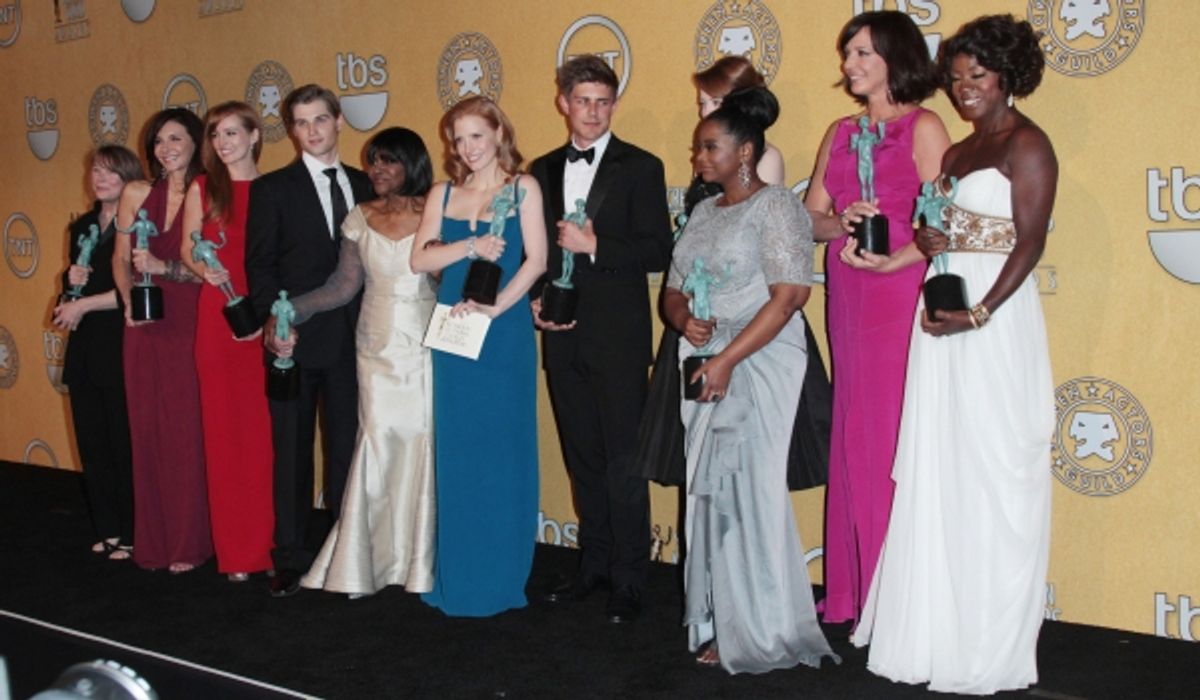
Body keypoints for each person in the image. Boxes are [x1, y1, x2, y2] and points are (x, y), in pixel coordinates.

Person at [849, 15, 1057, 694]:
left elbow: (1028, 243)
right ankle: (937, 632)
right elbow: (942, 226)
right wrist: (932, 241)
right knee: (942, 468)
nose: (965, 88)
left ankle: (988, 643)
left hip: (992, 322)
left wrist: (981, 312)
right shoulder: (962, 151)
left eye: (979, 75)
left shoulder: (1029, 145)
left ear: (1009, 75)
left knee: (996, 472)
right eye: (958, 76)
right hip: (939, 315)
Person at [663, 87, 838, 673]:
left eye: (709, 147)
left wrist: (729, 358)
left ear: (744, 153)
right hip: (707, 358)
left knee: (748, 491)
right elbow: (672, 287)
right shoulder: (704, 213)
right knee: (706, 492)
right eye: (697, 148)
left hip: (759, 357)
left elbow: (789, 297)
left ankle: (760, 628)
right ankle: (717, 618)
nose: (699, 158)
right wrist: (684, 319)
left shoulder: (779, 207)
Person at [802, 10, 951, 626]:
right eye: (847, 54)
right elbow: (809, 217)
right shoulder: (838, 131)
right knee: (852, 429)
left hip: (900, 292)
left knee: (889, 432)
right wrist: (843, 220)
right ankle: (852, 590)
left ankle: (897, 595)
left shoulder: (926, 125)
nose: (850, 65)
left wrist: (898, 262)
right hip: (847, 286)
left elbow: (946, 220)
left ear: (896, 57)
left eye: (862, 53)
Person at [529, 55, 672, 624]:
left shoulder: (642, 166)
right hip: (561, 336)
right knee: (582, 457)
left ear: (614, 105)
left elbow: (659, 249)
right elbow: (531, 248)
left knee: (623, 463)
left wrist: (595, 247)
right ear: (563, 101)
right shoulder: (539, 170)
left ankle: (631, 578)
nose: (593, 111)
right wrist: (538, 295)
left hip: (618, 338)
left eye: (603, 101)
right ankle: (594, 566)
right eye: (583, 100)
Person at [410, 97, 547, 616]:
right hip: (452, 330)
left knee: (504, 453)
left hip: (502, 330)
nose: (467, 149)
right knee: (460, 453)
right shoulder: (443, 192)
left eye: (476, 136)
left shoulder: (524, 187)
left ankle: (503, 576)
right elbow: (420, 257)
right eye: (458, 139)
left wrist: (494, 311)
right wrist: (468, 248)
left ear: (498, 134)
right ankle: (460, 575)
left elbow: (537, 261)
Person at [287, 127, 437, 597]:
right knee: (376, 440)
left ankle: (419, 563)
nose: (377, 170)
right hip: (373, 345)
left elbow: (451, 276)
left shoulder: (437, 208)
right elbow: (342, 287)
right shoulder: (359, 216)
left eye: (389, 161)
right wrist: (291, 308)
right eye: (373, 161)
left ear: (410, 163)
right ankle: (361, 561)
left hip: (423, 342)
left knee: (420, 442)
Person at [246, 84, 375, 598]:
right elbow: (258, 265)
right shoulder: (273, 189)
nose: (312, 131)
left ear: (339, 121)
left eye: (320, 119)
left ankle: (345, 558)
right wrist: (276, 324)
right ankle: (291, 558)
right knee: (292, 453)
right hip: (293, 342)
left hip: (355, 341)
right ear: (292, 130)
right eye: (301, 123)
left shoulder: (368, 185)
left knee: (348, 451)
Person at [113, 109, 212, 573]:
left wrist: (164, 269)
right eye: (158, 141)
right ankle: (154, 540)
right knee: (148, 430)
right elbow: (120, 258)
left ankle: (192, 542)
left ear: (196, 142)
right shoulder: (135, 193)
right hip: (145, 326)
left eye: (176, 138)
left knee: (187, 432)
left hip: (191, 322)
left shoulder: (209, 191)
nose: (166, 148)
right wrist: (129, 300)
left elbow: (210, 267)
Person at [180, 101, 274, 583]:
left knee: (265, 435)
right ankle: (237, 553)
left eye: (232, 133)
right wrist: (205, 269)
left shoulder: (275, 190)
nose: (222, 142)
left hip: (264, 320)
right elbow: (186, 246)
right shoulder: (203, 187)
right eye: (215, 134)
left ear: (255, 135)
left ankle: (270, 544)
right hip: (218, 319)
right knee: (224, 433)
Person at [52, 145, 143, 561]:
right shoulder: (84, 225)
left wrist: (83, 304)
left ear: (129, 178)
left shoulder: (142, 224)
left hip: (122, 343)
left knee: (123, 444)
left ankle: (132, 531)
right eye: (95, 170)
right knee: (92, 444)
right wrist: (69, 283)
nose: (100, 178)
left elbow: (134, 291)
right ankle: (107, 528)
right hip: (86, 347)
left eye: (110, 171)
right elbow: (73, 293)